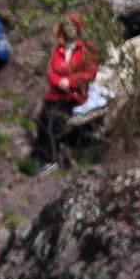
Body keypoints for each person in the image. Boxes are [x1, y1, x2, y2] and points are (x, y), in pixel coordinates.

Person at [30, 13, 98, 174]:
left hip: (74, 94)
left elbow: (90, 73)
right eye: (66, 27)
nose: (69, 30)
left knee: (54, 119)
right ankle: (39, 155)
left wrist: (71, 81)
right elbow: (51, 71)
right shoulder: (59, 48)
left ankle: (50, 158)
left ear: (78, 28)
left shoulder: (87, 48)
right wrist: (58, 81)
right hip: (56, 92)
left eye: (72, 27)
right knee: (42, 117)